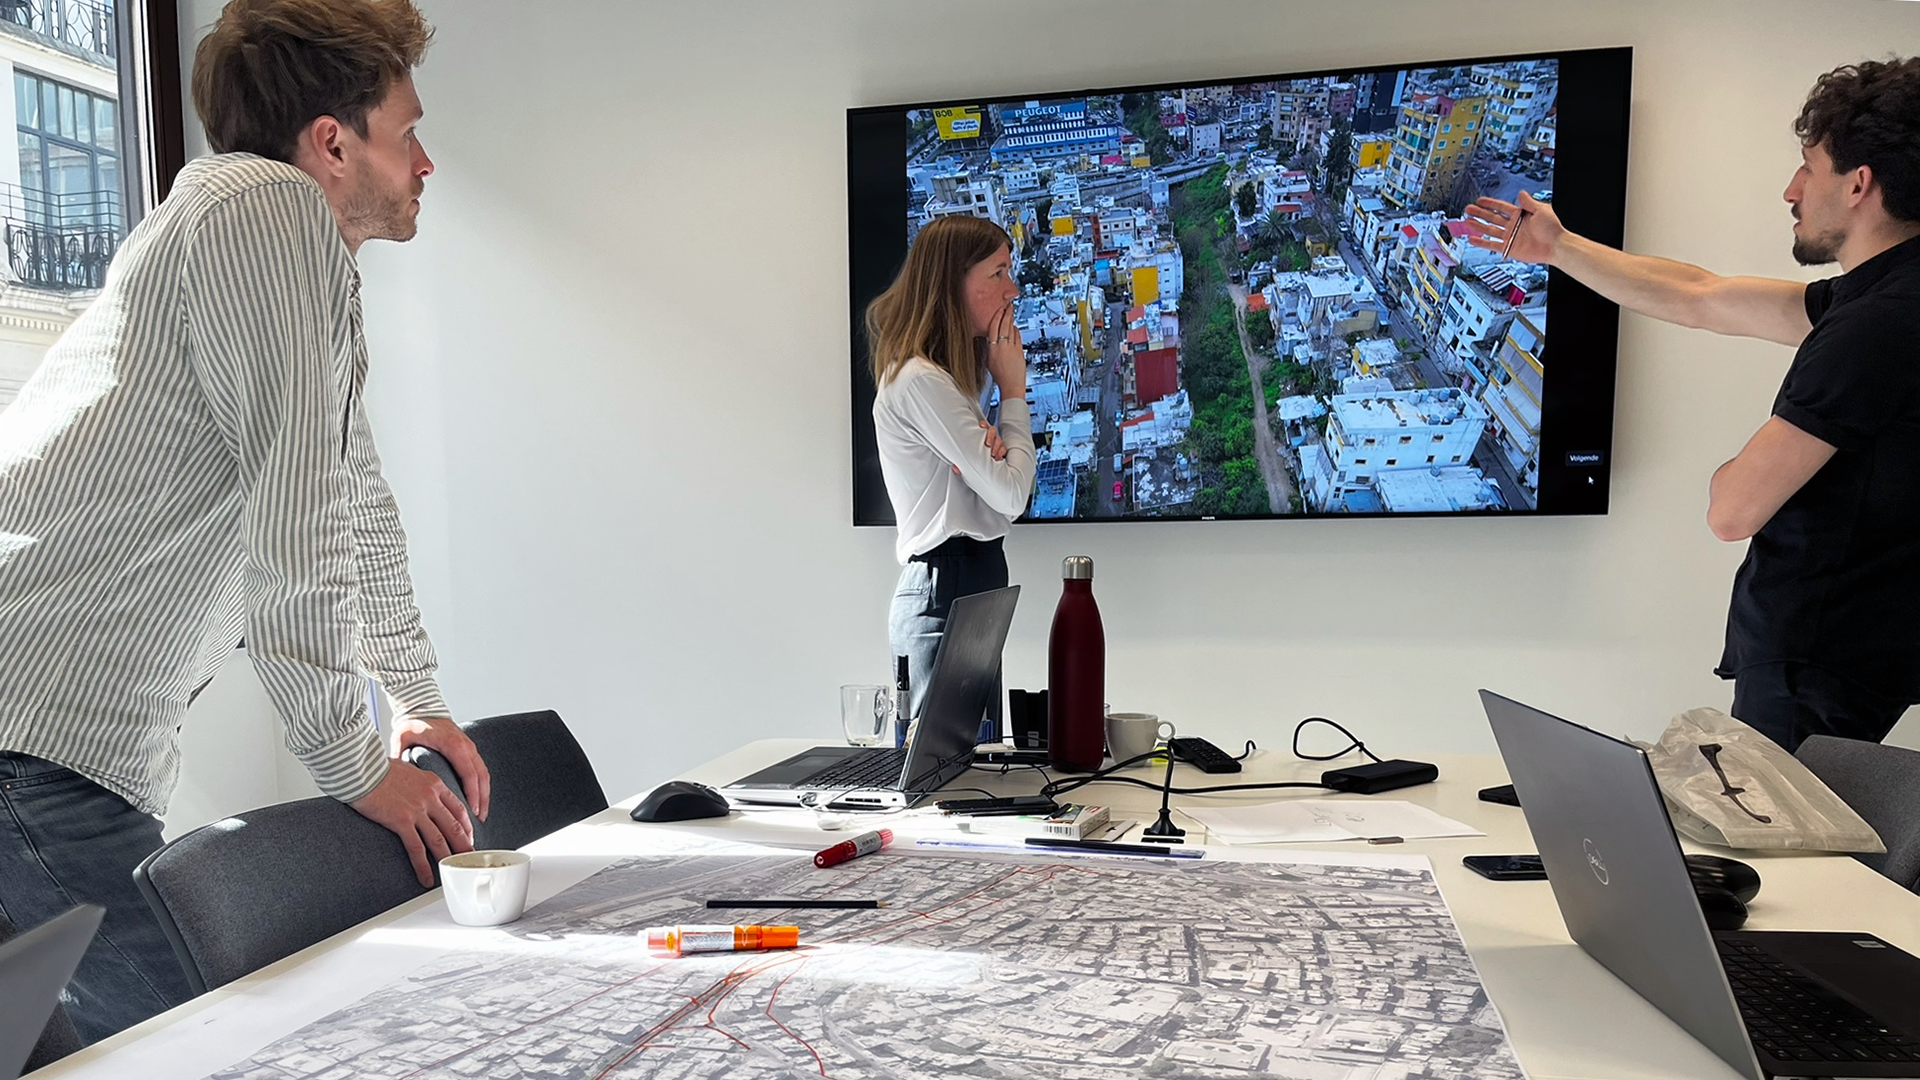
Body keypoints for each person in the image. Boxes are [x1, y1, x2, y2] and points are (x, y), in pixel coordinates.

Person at [0, 0, 491, 1042]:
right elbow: (297, 522)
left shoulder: (284, 246)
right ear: (331, 143)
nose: (426, 163)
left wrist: (414, 695)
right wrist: (353, 762)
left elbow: (354, 500)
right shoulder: (263, 207)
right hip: (29, 743)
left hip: (56, 746)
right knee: (222, 1043)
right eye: (407, 132)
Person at [1463, 58, 1920, 752]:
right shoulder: (1886, 297)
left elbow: (1731, 509)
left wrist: (1724, 473)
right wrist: (1557, 247)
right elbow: (1702, 297)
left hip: (1816, 669)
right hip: (1842, 658)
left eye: (1809, 167)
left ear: (1860, 184)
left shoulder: (1875, 324)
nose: (1791, 190)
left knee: (1792, 862)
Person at [866, 216, 1038, 741]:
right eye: (998, 272)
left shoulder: (947, 382)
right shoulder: (920, 381)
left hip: (974, 581)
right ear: (952, 282)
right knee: (941, 781)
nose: (1012, 289)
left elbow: (1002, 485)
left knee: (975, 781)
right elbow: (1010, 493)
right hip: (944, 588)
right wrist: (1013, 389)